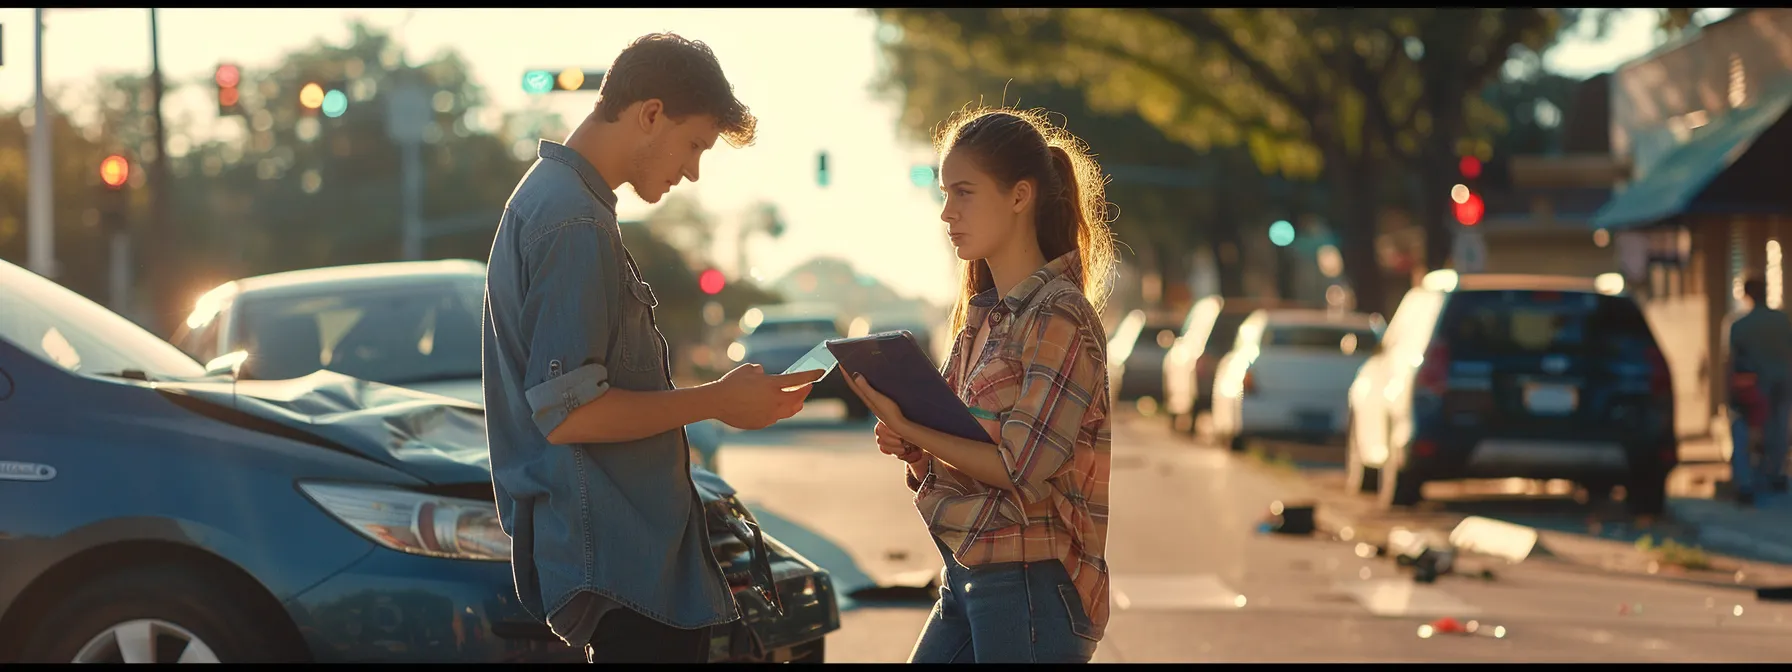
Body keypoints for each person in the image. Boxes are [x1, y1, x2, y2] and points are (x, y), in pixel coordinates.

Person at [481, 33, 823, 663]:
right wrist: (717, 400)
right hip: (617, 559)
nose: (692, 170)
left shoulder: (566, 204)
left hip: (626, 556)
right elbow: (570, 414)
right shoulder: (573, 221)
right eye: (694, 144)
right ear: (650, 115)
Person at [843, 107, 1117, 663]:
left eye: (963, 192)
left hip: (1031, 589)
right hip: (967, 577)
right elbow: (962, 450)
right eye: (945, 194)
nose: (947, 213)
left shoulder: (1059, 317)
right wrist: (913, 446)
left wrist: (911, 425)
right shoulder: (982, 318)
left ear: (1020, 196)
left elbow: (1020, 469)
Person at [1724, 274, 1792, 506]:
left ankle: (1746, 483)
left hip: (1751, 389)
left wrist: (1728, 393)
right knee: (1778, 428)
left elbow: (1731, 361)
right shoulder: (1783, 321)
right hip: (1781, 383)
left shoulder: (1739, 325)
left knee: (1743, 434)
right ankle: (1775, 473)